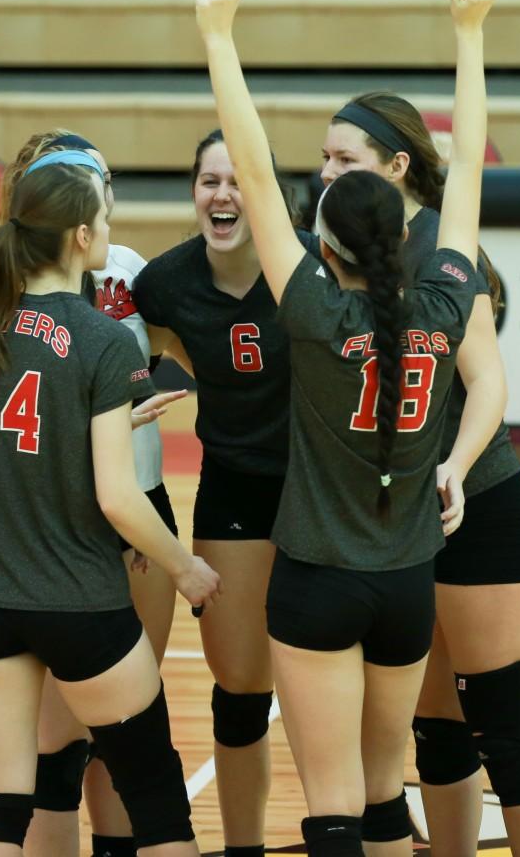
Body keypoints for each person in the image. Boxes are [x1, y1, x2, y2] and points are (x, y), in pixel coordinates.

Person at [193, 0, 494, 857]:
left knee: (328, 810)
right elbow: (468, 166)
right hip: (406, 583)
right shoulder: (442, 301)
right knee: (378, 794)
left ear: (322, 242)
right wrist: (470, 32)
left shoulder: (315, 312)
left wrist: (219, 36)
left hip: (318, 581)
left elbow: (249, 166)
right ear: (405, 234)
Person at [0, 151, 221, 855]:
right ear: (81, 236)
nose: (108, 228)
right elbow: (117, 497)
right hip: (80, 605)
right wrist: (184, 568)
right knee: (158, 806)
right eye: (103, 216)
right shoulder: (103, 339)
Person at [320, 123, 520, 850]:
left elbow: (488, 382)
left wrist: (453, 467)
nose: (327, 170)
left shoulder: (443, 257)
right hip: (401, 524)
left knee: (503, 725)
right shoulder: (328, 259)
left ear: (394, 168)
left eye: (344, 158)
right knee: (435, 729)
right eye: (324, 156)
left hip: (479, 505)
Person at [0, 131, 186, 857]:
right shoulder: (3, 287)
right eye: (89, 179)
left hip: (138, 501)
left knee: (127, 728)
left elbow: (186, 353)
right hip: (54, 520)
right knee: (58, 743)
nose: (102, 190)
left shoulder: (129, 270)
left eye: (105, 177)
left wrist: (152, 393)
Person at [133, 132, 318, 857]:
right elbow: (163, 352)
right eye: (209, 181)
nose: (223, 195)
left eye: (239, 180)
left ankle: (347, 831)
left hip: (321, 490)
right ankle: (243, 848)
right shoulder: (164, 284)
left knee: (326, 687)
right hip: (235, 487)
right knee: (240, 687)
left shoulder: (313, 262)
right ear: (193, 193)